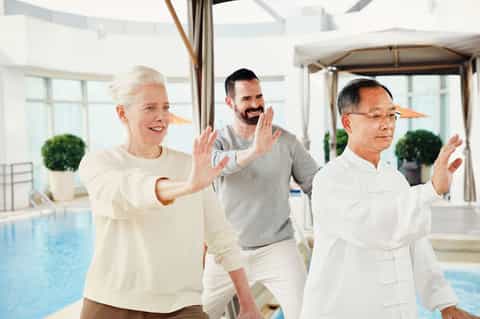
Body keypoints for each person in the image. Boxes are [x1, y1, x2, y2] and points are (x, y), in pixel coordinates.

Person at [78, 65, 262, 319]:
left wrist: (248, 303)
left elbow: (221, 236)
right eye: (150, 108)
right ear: (123, 113)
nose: (161, 117)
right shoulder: (99, 163)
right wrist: (186, 187)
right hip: (110, 304)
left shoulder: (190, 165)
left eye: (165, 107)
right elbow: (128, 190)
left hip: (181, 306)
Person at [301, 78, 478, 319]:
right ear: (347, 122)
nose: (387, 125)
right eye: (375, 116)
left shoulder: (395, 179)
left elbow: (416, 243)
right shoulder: (330, 180)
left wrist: (445, 304)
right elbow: (373, 228)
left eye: (391, 115)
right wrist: (431, 190)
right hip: (343, 309)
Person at [202, 68, 320, 319]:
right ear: (229, 102)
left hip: (277, 247)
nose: (255, 104)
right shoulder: (218, 140)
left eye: (259, 97)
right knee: (199, 313)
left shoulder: (285, 140)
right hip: (226, 250)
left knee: (307, 312)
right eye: (246, 99)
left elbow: (316, 184)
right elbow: (213, 165)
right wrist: (254, 151)